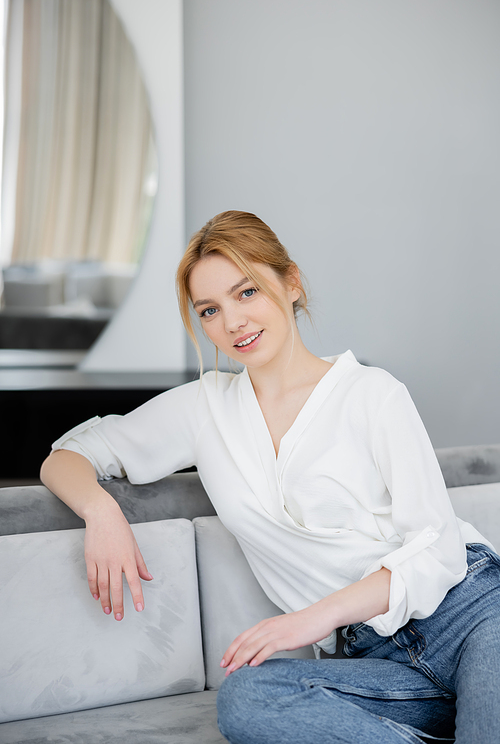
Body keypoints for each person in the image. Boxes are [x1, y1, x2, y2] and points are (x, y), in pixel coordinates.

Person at [40, 211, 499, 743]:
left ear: (292, 282)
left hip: (473, 616)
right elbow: (69, 454)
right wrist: (101, 511)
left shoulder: (373, 393)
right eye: (209, 309)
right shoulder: (204, 408)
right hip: (376, 663)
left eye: (248, 292)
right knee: (249, 698)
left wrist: (309, 620)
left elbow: (437, 549)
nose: (233, 322)